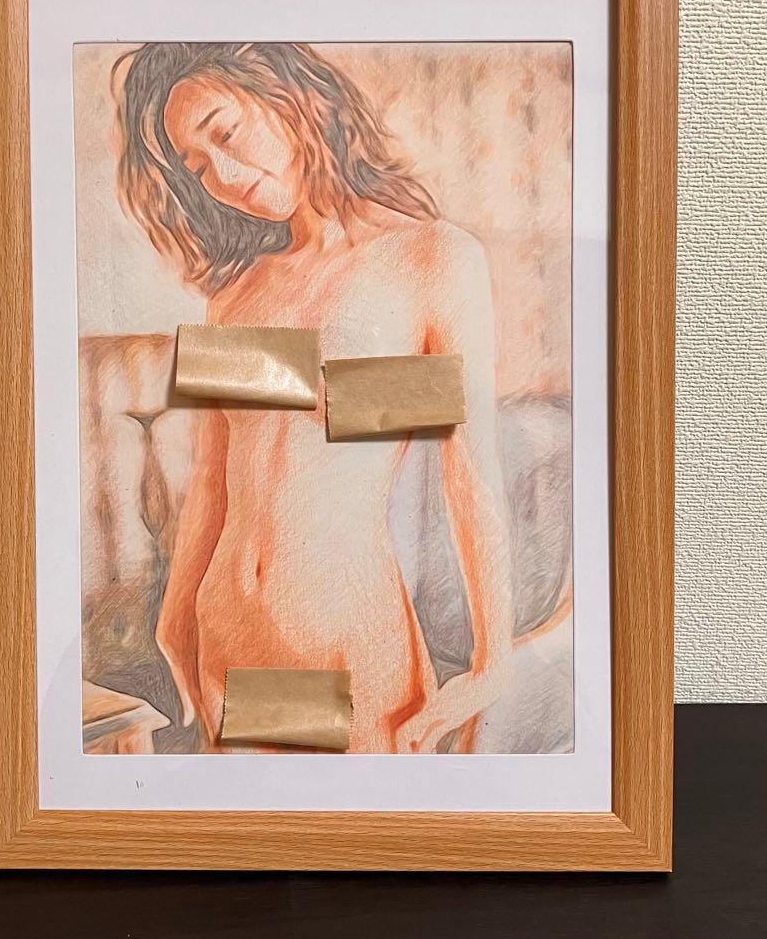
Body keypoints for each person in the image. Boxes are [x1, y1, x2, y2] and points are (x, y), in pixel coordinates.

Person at [114, 42, 514, 753]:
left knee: (356, 824)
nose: (223, 177)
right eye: (197, 166)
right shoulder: (235, 296)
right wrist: (175, 616)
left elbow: (469, 469)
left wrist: (493, 662)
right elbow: (213, 478)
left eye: (226, 132)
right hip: (229, 632)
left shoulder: (433, 257)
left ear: (290, 98)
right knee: (251, 822)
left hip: (343, 639)